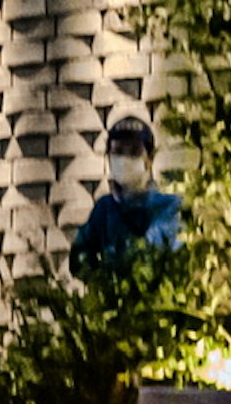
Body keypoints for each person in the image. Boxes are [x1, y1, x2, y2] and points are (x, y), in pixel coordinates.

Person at [70, 116, 182, 281]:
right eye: (118, 152)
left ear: (149, 159)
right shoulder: (104, 209)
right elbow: (79, 259)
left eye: (134, 152)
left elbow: (157, 254)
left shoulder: (169, 207)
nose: (125, 160)